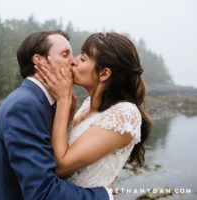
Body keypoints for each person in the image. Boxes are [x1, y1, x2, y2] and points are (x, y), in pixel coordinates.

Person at [0, 30, 112, 200]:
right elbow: (43, 193)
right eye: (65, 54)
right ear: (39, 61)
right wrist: (104, 195)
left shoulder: (39, 103)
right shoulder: (25, 106)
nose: (73, 61)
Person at [35, 32, 152, 190]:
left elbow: (61, 165)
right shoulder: (87, 104)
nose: (73, 61)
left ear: (104, 74)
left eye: (82, 59)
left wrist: (63, 101)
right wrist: (68, 114)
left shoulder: (125, 114)